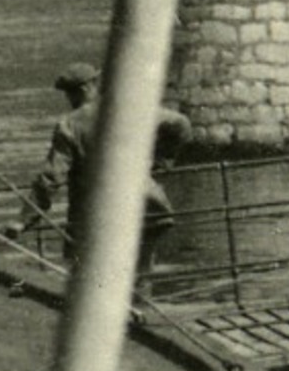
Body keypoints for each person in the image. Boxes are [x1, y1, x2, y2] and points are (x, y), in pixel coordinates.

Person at [26, 62, 191, 284]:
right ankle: (143, 315)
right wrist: (161, 161)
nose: (69, 100)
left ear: (83, 90)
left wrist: (24, 219)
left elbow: (51, 177)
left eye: (69, 94)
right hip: (149, 208)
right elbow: (180, 124)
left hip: (97, 217)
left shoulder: (70, 124)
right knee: (140, 276)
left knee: (90, 282)